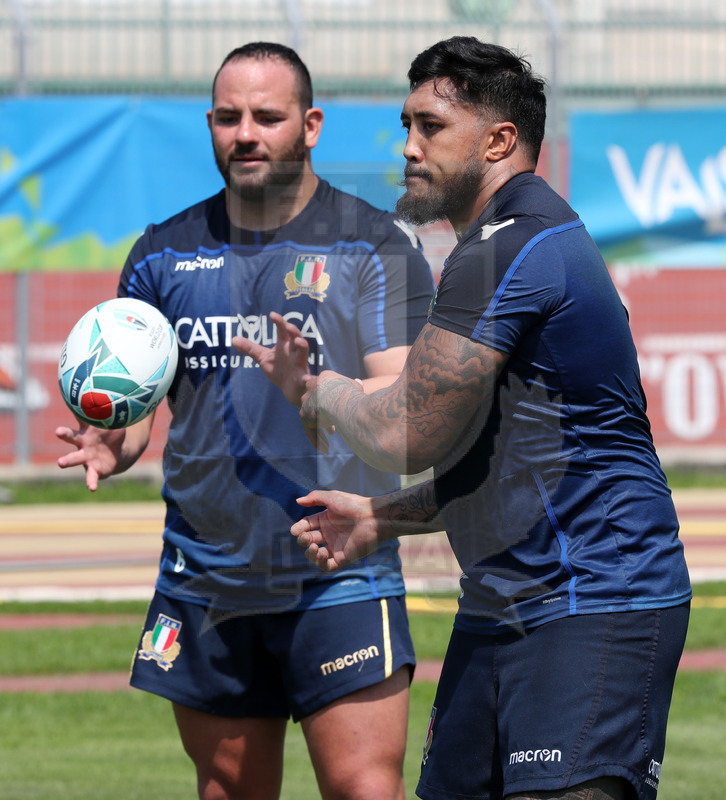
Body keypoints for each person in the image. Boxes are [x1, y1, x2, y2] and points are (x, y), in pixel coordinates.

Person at [266, 37, 691, 800]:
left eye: (430, 127)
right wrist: (378, 516)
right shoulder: (505, 245)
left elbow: (405, 432)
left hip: (593, 601)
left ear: (499, 141)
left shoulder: (512, 246)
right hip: (503, 605)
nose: (407, 147)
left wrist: (314, 390)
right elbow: (494, 457)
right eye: (406, 125)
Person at [55, 42, 434, 800]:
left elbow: (404, 413)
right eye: (229, 118)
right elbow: (145, 415)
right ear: (210, 125)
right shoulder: (162, 255)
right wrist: (114, 438)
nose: (246, 133)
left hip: (340, 573)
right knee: (229, 790)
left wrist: (314, 390)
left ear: (311, 124)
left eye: (268, 116)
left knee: (366, 789)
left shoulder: (375, 245)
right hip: (208, 576)